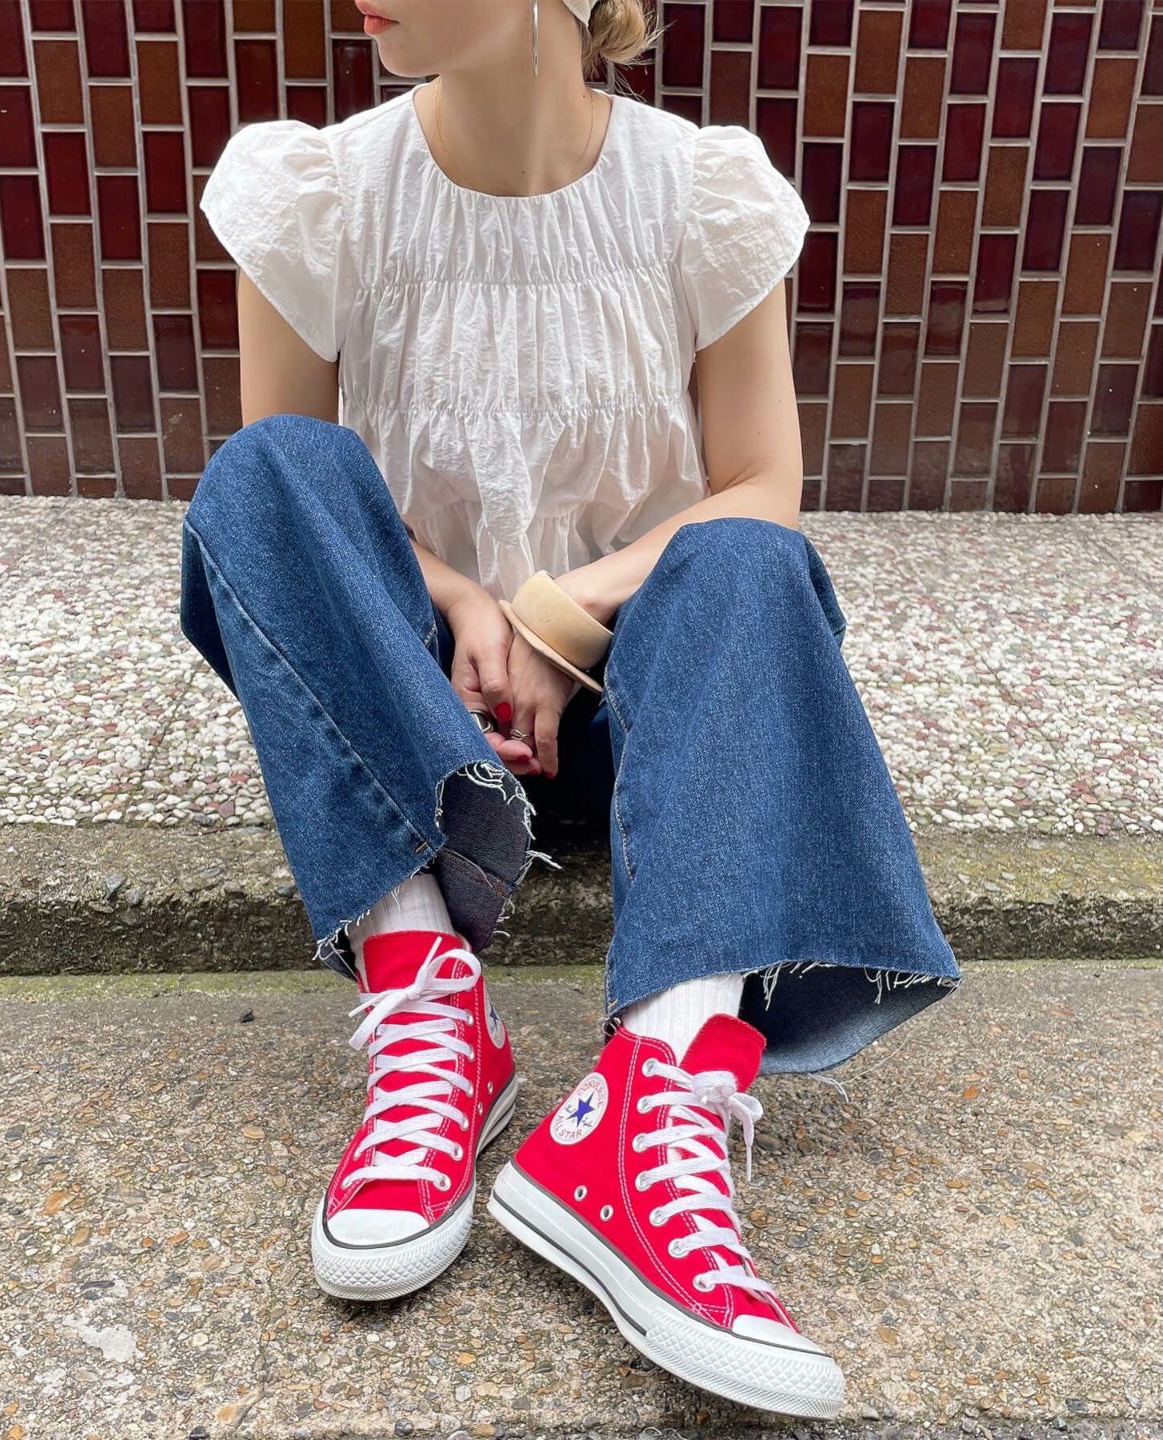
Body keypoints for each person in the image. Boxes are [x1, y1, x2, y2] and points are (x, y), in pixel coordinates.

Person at [179, 0, 962, 1420]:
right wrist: (465, 605)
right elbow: (305, 509)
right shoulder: (319, 193)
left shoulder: (701, 194)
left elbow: (761, 484)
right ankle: (430, 1003)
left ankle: (650, 1093)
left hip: (635, 711)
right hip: (408, 715)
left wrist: (559, 615)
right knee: (262, 473)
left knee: (752, 562)